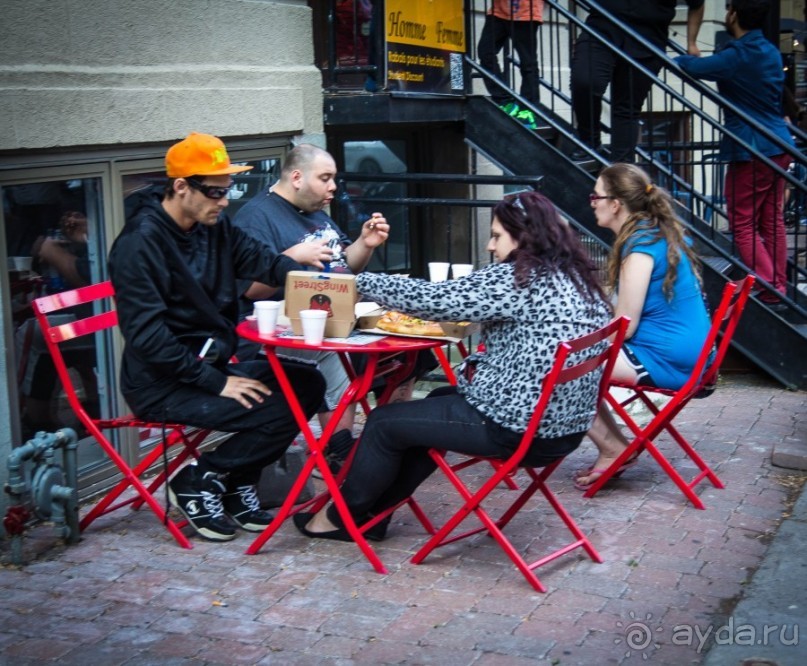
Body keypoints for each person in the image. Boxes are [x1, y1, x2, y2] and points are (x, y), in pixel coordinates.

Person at [292, 190, 612, 542]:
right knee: (435, 402)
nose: (490, 247)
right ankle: (373, 516)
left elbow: (434, 301)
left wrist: (357, 282)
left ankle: (340, 517)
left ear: (523, 236)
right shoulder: (577, 278)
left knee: (384, 423)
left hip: (518, 429)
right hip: (563, 431)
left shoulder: (518, 278)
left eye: (496, 236)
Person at [108, 132, 330, 542]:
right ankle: (200, 478)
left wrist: (333, 287)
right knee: (275, 409)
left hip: (210, 364)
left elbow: (264, 263)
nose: (224, 201)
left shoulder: (212, 226)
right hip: (162, 384)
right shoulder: (140, 244)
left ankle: (232, 479)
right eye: (214, 192)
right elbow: (147, 338)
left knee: (307, 383)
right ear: (180, 187)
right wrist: (219, 382)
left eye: (227, 190)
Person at [232, 143, 391, 474]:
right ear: (296, 177)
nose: (333, 187)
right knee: (334, 351)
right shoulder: (256, 218)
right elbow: (248, 288)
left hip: (328, 318)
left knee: (408, 355)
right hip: (272, 335)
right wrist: (292, 259)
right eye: (325, 178)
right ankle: (340, 450)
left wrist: (365, 244)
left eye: (334, 178)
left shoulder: (315, 211)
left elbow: (346, 266)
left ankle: (381, 441)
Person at [574, 163, 711, 490]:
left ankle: (613, 448)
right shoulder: (657, 233)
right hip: (694, 355)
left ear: (616, 203)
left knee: (563, 364)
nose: (592, 201)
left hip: (667, 358)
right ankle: (614, 446)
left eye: (597, 195)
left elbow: (625, 326)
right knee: (575, 354)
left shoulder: (639, 248)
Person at [675, 0, 795, 307]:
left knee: (741, 221)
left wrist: (688, 48)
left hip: (753, 147)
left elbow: (693, 67)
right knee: (771, 220)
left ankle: (770, 285)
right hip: (779, 143)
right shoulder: (768, 51)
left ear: (733, 15)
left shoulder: (738, 54)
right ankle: (777, 282)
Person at [570, 0, 704, 162]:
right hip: (601, 28)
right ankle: (589, 142)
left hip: (648, 39)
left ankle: (622, 168)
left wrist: (692, 43)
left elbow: (697, 4)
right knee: (585, 81)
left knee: (627, 109)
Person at [477, 0, 544, 130]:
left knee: (528, 64)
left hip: (526, 12)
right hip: (499, 11)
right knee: (485, 53)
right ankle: (505, 100)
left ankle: (528, 110)